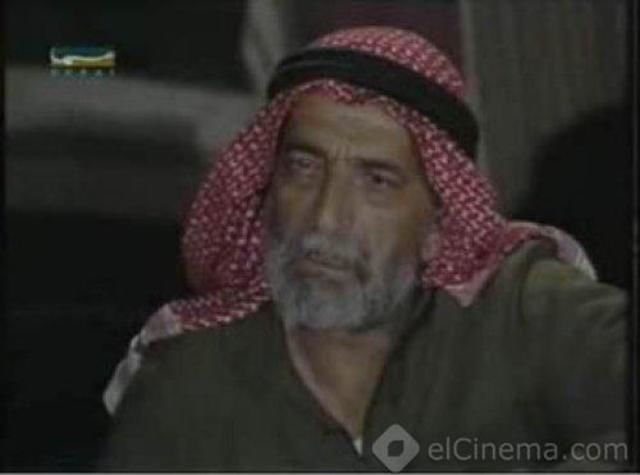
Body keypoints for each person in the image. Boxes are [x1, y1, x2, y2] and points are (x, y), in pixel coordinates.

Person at [98, 27, 628, 471]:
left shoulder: (520, 309)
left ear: (439, 227)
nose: (326, 219)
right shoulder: (188, 384)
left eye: (377, 181)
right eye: (303, 168)